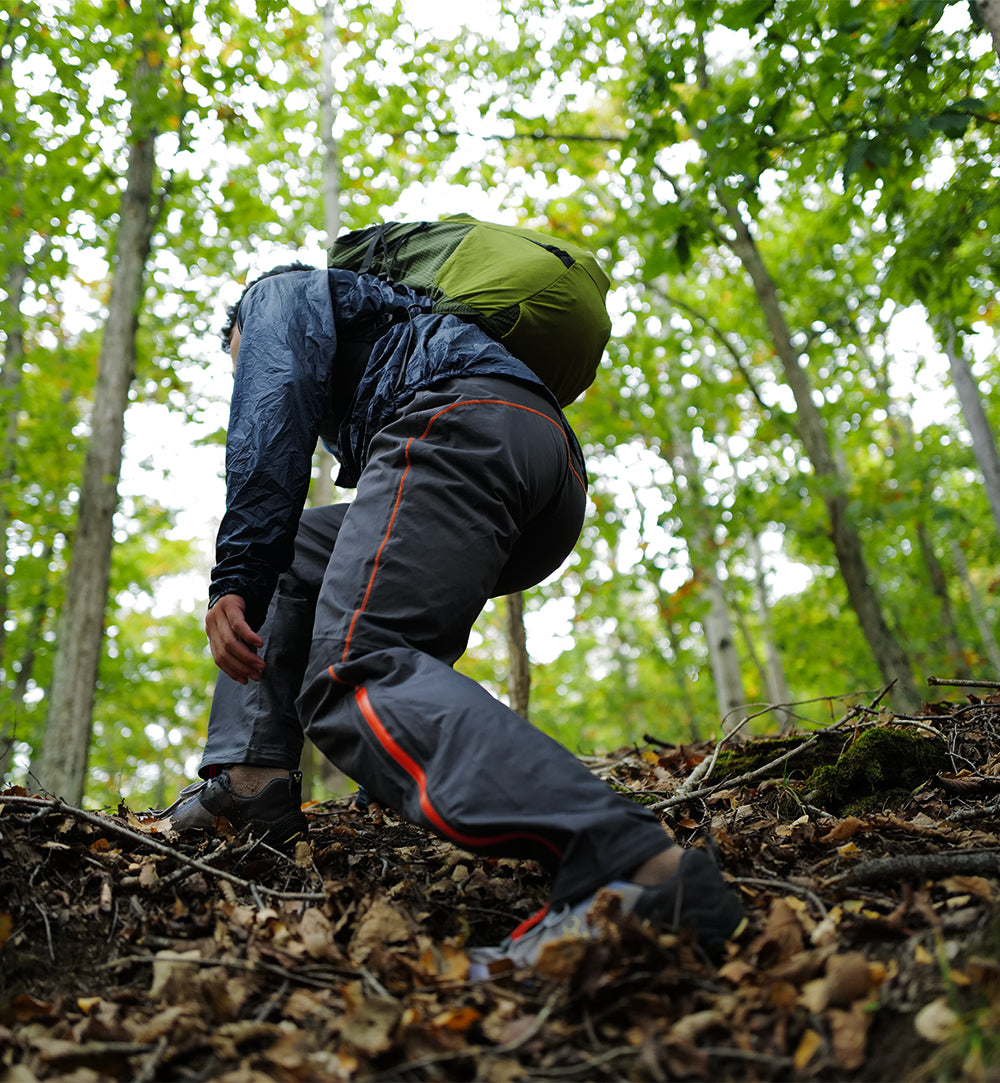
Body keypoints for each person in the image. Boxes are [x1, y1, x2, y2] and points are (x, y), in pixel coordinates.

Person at [153, 243, 745, 966]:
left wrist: (236, 573)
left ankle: (632, 866)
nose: (244, 374)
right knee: (302, 554)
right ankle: (251, 779)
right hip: (537, 461)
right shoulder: (403, 321)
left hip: (459, 420)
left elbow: (268, 416)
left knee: (356, 668)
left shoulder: (278, 297)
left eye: (241, 359)